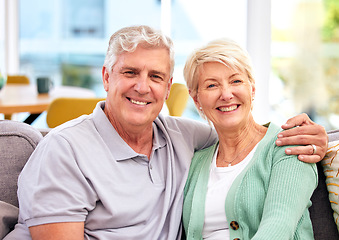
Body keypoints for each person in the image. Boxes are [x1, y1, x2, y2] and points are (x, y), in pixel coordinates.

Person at [5, 26, 327, 240]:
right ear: (106, 77)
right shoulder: (65, 150)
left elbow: (244, 137)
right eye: (130, 72)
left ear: (167, 87)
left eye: (156, 76)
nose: (142, 87)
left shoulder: (185, 138)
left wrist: (320, 137)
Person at [182, 38, 319, 240]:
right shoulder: (195, 162)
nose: (226, 94)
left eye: (236, 81)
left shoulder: (289, 145)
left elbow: (279, 227)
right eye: (212, 85)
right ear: (196, 100)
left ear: (252, 89)